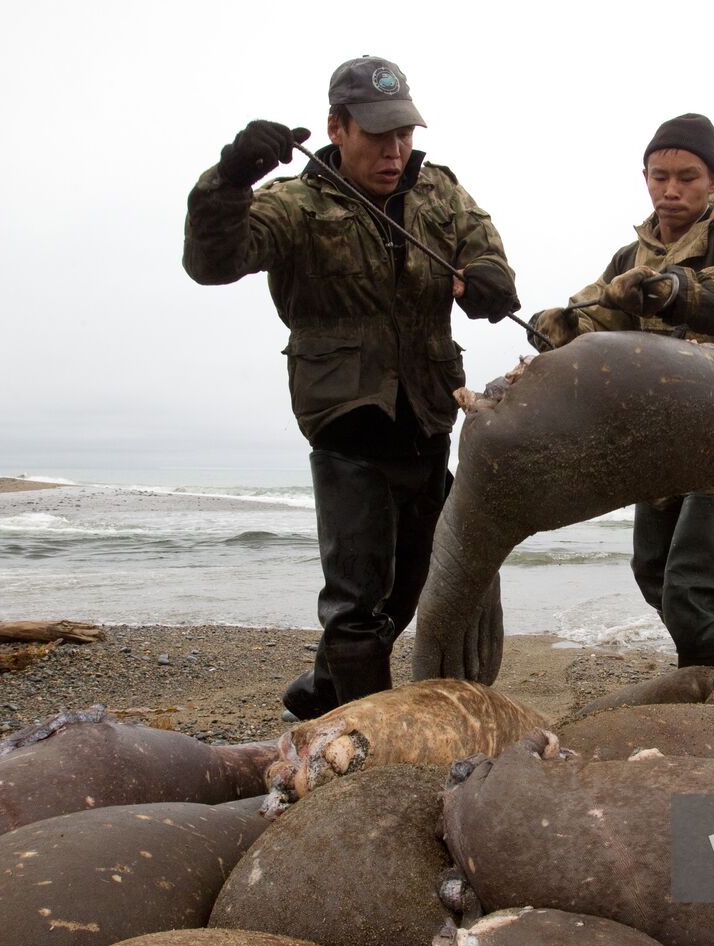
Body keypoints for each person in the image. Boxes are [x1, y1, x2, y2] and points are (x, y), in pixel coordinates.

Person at [182, 56, 519, 720]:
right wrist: (228, 179)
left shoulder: (441, 194)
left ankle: (321, 691)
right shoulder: (294, 205)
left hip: (426, 416)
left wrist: (486, 283)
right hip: (346, 421)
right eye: (376, 135)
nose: (395, 150)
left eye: (404, 134)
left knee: (404, 592)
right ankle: (369, 735)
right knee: (357, 597)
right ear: (336, 128)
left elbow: (491, 265)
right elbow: (211, 263)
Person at [530, 113, 714, 669]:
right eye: (659, 175)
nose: (671, 190)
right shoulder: (630, 258)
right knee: (653, 573)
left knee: (692, 593)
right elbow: (594, 314)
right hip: (658, 444)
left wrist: (675, 289)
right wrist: (552, 327)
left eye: (687, 177)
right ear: (644, 176)